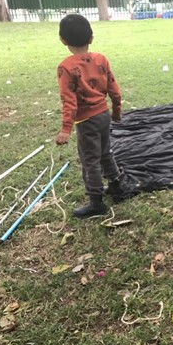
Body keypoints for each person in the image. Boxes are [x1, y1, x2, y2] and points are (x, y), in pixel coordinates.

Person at [55, 14, 132, 218]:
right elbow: (114, 89)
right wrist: (116, 111)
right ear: (91, 38)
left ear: (63, 40)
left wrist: (65, 129)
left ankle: (96, 203)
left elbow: (68, 100)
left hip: (87, 122)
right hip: (104, 115)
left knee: (90, 161)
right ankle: (116, 185)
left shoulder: (66, 67)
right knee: (105, 152)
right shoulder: (100, 59)